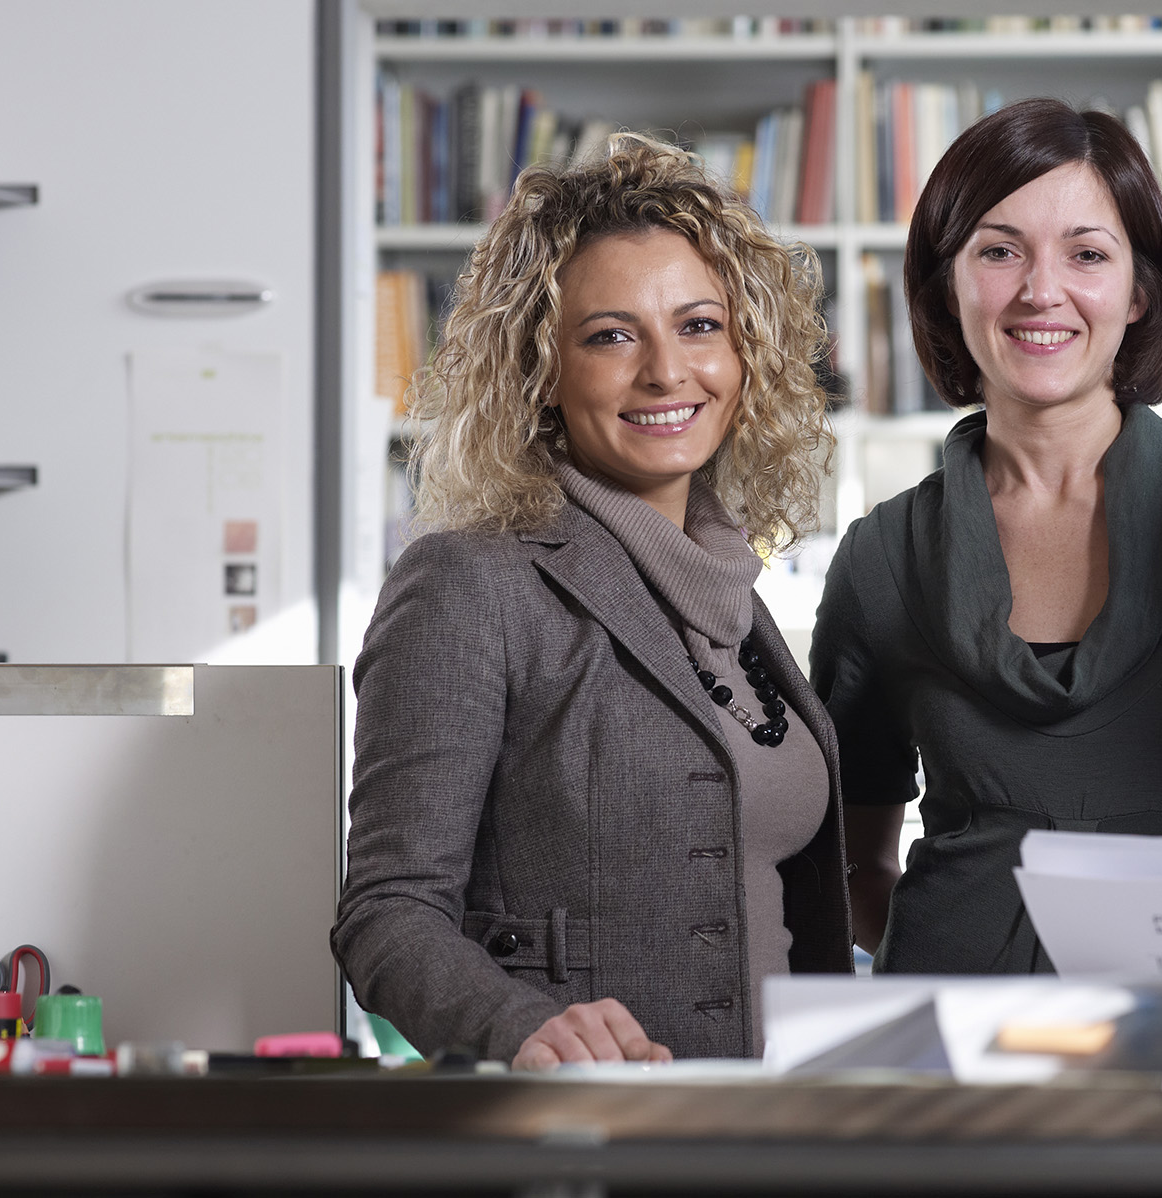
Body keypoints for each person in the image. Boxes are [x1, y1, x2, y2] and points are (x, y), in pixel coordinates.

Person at [811, 98, 1162, 975]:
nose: (1043, 291)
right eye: (999, 251)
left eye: (1087, 255)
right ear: (945, 285)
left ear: (1139, 290)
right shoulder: (883, 557)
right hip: (956, 1038)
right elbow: (851, 863)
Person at [332, 135, 852, 1067]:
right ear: (541, 372)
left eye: (699, 326)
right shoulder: (468, 582)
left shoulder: (730, 586)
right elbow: (387, 913)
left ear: (747, 353)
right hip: (588, 1133)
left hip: (784, 1124)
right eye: (611, 335)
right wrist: (516, 1025)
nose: (665, 372)